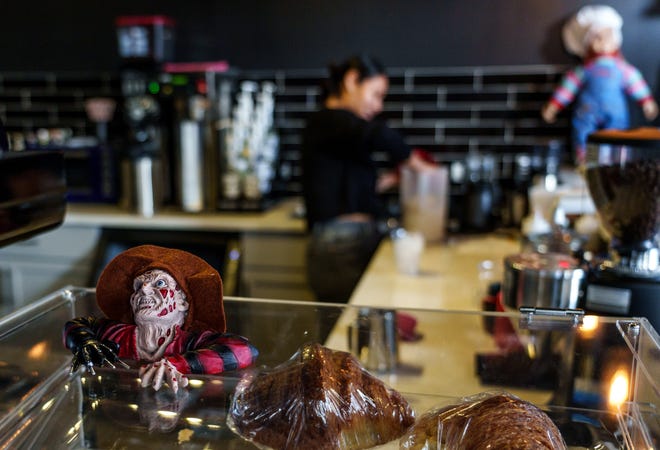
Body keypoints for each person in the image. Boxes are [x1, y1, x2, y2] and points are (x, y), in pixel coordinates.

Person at [302, 54, 432, 303]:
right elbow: (379, 134)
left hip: (348, 241)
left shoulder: (339, 129)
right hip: (339, 246)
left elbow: (350, 184)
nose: (378, 105)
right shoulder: (330, 120)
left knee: (351, 329)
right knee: (341, 331)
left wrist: (391, 179)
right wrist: (417, 164)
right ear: (352, 81)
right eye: (376, 94)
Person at [63, 244, 258, 393]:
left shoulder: (189, 341)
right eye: (138, 286)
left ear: (182, 302)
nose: (144, 289)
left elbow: (244, 350)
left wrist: (177, 364)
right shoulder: (116, 333)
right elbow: (77, 324)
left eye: (160, 283)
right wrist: (85, 342)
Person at [541, 5, 658, 164]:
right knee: (583, 134)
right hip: (587, 111)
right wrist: (554, 105)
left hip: (616, 114)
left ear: (616, 40)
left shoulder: (621, 68)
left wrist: (647, 101)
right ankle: (586, 165)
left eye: (607, 36)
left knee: (617, 138)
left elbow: (635, 82)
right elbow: (568, 87)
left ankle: (614, 164)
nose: (603, 41)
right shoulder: (584, 70)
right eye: (597, 37)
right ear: (588, 43)